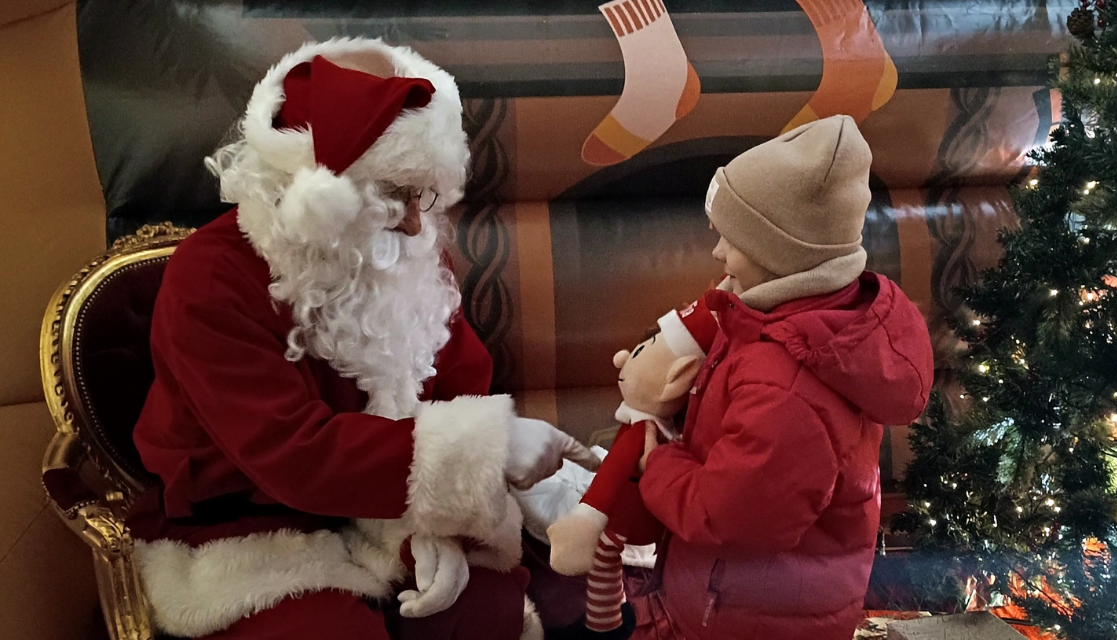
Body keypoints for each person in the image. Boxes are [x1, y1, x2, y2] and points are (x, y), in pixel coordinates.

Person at [127, 38, 597, 640]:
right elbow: (294, 455)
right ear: (312, 193)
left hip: (387, 506)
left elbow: (457, 383)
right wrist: (482, 452)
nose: (412, 221)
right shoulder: (210, 278)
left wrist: (438, 526)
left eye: (420, 192)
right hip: (246, 527)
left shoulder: (403, 246)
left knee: (496, 606)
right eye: (392, 194)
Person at [633, 115, 935, 640]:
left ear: (781, 255)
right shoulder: (788, 321)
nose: (717, 253)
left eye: (732, 240)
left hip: (747, 620)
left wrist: (657, 465)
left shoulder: (789, 385)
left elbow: (732, 516)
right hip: (752, 602)